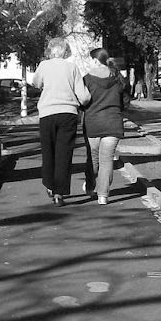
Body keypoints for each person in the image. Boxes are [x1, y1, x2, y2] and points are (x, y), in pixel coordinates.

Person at [32, 37, 91, 207]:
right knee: (64, 153)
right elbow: (84, 96)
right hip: (68, 114)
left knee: (48, 151)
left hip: (47, 113)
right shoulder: (72, 67)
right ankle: (59, 192)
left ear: (50, 51)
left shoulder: (43, 65)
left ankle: (49, 184)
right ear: (65, 51)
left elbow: (36, 82)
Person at [82, 48, 130, 205]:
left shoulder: (87, 79)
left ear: (96, 60)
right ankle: (103, 195)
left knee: (93, 158)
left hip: (93, 124)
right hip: (113, 123)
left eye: (90, 59)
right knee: (107, 159)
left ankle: (90, 186)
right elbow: (126, 102)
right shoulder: (117, 78)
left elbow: (82, 100)